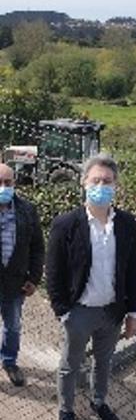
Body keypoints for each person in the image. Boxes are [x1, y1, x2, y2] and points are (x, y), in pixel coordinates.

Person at [46, 155, 136, 420]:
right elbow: (53, 274)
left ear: (116, 186)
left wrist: (133, 313)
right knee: (70, 365)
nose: (101, 186)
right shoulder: (66, 225)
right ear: (84, 183)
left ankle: (98, 403)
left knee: (104, 362)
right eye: (96, 181)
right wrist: (64, 313)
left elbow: (132, 270)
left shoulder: (126, 224)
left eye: (107, 181)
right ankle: (66, 411)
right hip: (79, 313)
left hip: (112, 312)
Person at [0, 162, 45, 387]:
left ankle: (9, 361)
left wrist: (34, 278)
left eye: (7, 183)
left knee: (13, 325)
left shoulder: (27, 211)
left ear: (14, 184)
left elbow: (38, 247)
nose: (3, 187)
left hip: (15, 282)